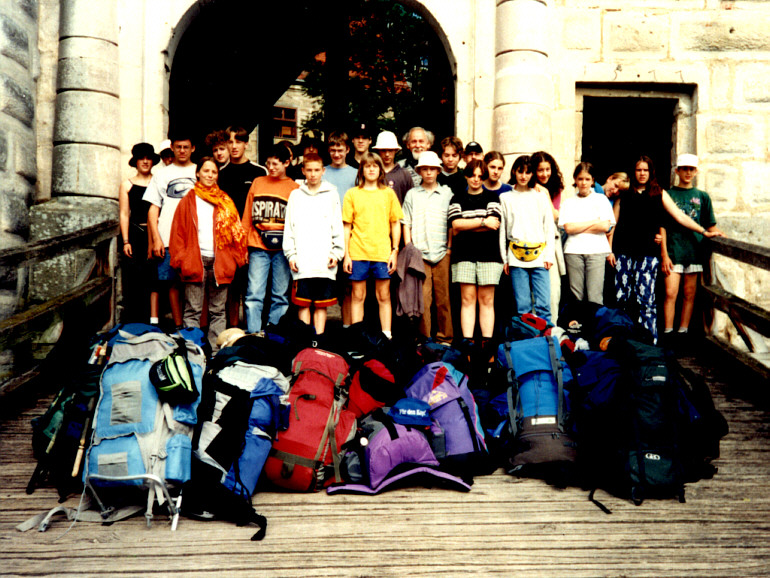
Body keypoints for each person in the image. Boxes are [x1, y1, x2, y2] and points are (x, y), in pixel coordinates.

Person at [609, 155, 723, 344]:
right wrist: (609, 250)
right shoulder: (625, 193)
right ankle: (623, 340)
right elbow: (612, 224)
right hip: (623, 254)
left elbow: (679, 215)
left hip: (647, 255)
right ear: (633, 172)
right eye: (639, 170)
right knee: (622, 298)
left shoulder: (658, 193)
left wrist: (703, 231)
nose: (642, 173)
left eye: (646, 170)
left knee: (646, 300)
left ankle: (649, 342)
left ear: (650, 172)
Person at [169, 157, 247, 353]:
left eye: (214, 172)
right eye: (206, 171)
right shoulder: (188, 200)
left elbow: (237, 231)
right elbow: (177, 232)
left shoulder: (225, 201)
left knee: (218, 310)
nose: (210, 175)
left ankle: (216, 351)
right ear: (198, 173)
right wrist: (180, 260)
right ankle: (191, 351)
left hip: (220, 262)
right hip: (195, 260)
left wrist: (236, 259)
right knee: (193, 309)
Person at [661, 154, 725, 344]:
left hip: (694, 251)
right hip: (674, 250)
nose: (688, 172)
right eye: (684, 169)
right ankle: (668, 333)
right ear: (677, 171)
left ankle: (683, 332)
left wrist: (723, 237)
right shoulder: (668, 194)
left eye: (691, 169)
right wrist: (664, 253)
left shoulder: (702, 197)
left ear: (696, 171)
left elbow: (710, 224)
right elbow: (662, 226)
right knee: (670, 293)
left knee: (689, 294)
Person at [342, 152, 403, 339]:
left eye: (374, 166)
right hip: (358, 251)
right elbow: (346, 225)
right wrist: (346, 255)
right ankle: (357, 337)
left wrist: (394, 251)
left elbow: (395, 223)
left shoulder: (388, 193)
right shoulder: (352, 194)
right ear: (361, 170)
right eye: (367, 166)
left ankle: (387, 336)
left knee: (383, 297)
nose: (371, 169)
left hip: (382, 253)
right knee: (357, 296)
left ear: (380, 170)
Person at [283, 153, 344, 338]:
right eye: (309, 170)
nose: (313, 174)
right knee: (303, 304)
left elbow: (337, 225)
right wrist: (291, 255)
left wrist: (336, 253)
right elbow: (289, 227)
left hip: (324, 261)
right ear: (303, 171)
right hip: (303, 260)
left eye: (317, 170)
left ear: (323, 171)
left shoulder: (331, 194)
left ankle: (318, 340)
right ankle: (304, 340)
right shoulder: (295, 195)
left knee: (321, 305)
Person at [241, 144, 300, 334]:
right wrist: (243, 246)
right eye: (268, 164)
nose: (271, 168)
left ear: (287, 163)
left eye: (275, 164)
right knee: (253, 294)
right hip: (258, 246)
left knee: (280, 295)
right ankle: (253, 333)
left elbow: (296, 223)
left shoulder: (294, 188)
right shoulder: (258, 182)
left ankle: (273, 334)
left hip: (283, 249)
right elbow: (247, 216)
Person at [448, 159, 503, 353]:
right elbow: (456, 225)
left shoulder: (493, 197)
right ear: (466, 176)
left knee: (487, 300)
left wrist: (468, 224)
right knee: (467, 299)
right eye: (472, 175)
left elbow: (494, 225)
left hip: (489, 255)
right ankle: (468, 345)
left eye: (480, 176)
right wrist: (482, 222)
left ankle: (487, 347)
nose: (476, 179)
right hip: (463, 255)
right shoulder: (457, 198)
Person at [143, 135, 197, 330]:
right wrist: (156, 239)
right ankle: (178, 326)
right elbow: (153, 209)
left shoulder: (199, 171)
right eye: (178, 147)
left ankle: (196, 326)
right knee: (172, 283)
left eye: (186, 147)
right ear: (172, 149)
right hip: (168, 236)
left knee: (194, 283)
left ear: (193, 148)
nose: (182, 150)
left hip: (195, 238)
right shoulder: (162, 174)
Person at [402, 151, 454, 344]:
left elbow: (451, 222)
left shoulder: (447, 193)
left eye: (433, 169)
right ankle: (425, 338)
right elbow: (405, 221)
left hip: (442, 252)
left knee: (444, 298)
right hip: (420, 254)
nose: (429, 173)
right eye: (425, 169)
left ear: (438, 171)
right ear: (420, 171)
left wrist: (449, 248)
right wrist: (409, 247)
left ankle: (445, 338)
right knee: (423, 298)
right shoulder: (412, 195)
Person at [218, 126, 267, 328]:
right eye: (230, 142)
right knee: (230, 289)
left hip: (251, 240)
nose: (234, 146)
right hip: (227, 241)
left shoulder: (258, 172)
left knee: (252, 289)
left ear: (246, 143)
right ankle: (232, 331)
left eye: (238, 141)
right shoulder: (221, 173)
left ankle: (250, 332)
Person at [499, 155, 555, 323]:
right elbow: (503, 231)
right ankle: (524, 342)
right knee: (522, 306)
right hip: (516, 256)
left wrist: (549, 255)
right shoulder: (506, 198)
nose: (523, 176)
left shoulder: (540, 197)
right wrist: (505, 259)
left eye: (528, 172)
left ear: (532, 174)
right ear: (514, 172)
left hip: (540, 255)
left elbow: (549, 227)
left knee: (544, 304)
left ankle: (546, 342)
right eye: (520, 171)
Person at [558, 162, 615, 304]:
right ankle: (577, 324)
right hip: (573, 251)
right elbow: (568, 228)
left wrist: (579, 226)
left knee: (595, 294)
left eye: (587, 179)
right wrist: (593, 222)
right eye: (580, 179)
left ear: (593, 180)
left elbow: (605, 226)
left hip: (596, 250)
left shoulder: (601, 200)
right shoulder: (568, 202)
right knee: (576, 294)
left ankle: (595, 325)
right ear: (575, 180)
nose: (583, 183)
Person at [118, 142, 160, 323]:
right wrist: (126, 241)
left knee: (154, 278)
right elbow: (124, 213)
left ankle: (154, 320)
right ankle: (134, 320)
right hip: (135, 234)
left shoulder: (158, 182)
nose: (145, 162)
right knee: (134, 278)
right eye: (141, 158)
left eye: (148, 158)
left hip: (155, 234)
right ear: (135, 161)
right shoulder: (126, 185)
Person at [529, 150, 565, 323]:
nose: (544, 174)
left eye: (547, 169)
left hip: (549, 244)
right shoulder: (526, 188)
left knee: (553, 290)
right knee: (531, 293)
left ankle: (553, 328)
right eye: (540, 170)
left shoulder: (554, 188)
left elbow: (556, 216)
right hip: (528, 244)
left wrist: (545, 194)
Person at [371, 130, 413, 204]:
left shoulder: (404, 174)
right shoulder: (372, 173)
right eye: (383, 150)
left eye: (390, 150)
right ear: (378, 151)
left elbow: (410, 202)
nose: (387, 154)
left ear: (396, 150)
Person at [324, 131, 358, 207]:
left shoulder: (356, 174)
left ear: (347, 150)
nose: (336, 155)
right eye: (333, 150)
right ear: (329, 150)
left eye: (340, 150)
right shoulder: (321, 172)